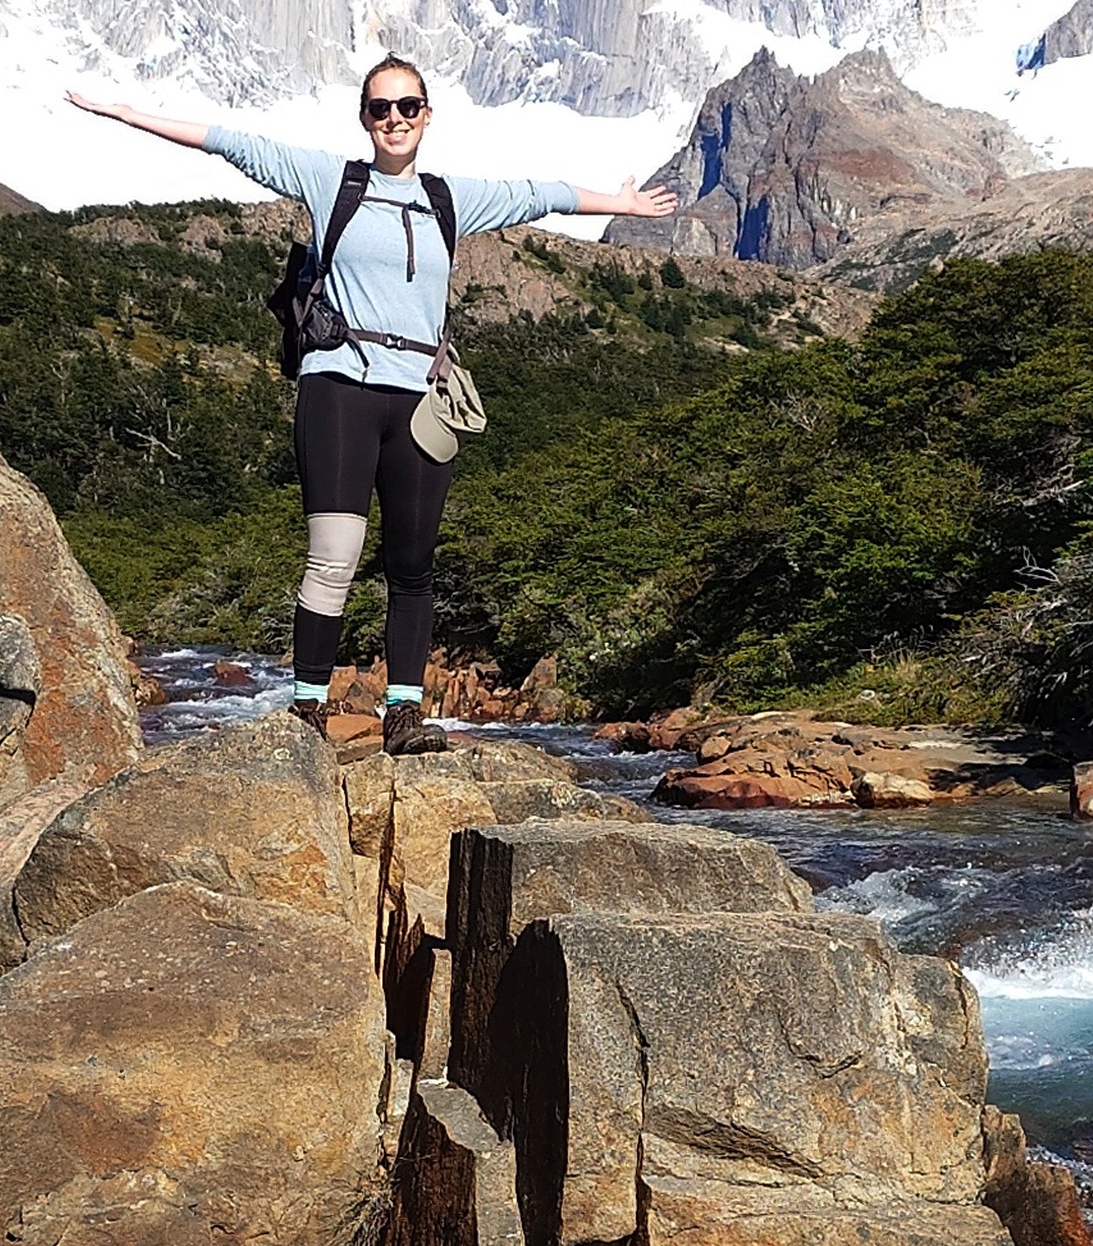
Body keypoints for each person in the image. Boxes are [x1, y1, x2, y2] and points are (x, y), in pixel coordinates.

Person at [69, 54, 675, 750]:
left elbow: (541, 195)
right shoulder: (331, 180)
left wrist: (621, 204)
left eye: (407, 106)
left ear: (427, 115)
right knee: (334, 556)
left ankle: (405, 716)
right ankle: (307, 710)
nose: (395, 119)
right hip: (339, 386)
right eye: (381, 108)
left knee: (413, 565)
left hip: (421, 400)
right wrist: (127, 115)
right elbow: (233, 144)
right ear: (365, 117)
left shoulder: (451, 199)